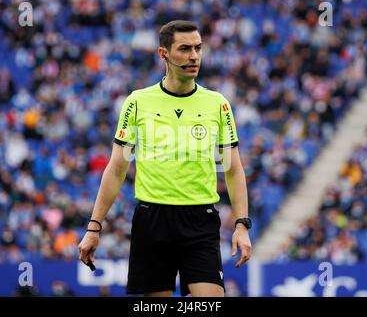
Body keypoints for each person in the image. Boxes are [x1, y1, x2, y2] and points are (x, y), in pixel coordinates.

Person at [78, 20, 252, 297]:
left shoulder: (217, 104)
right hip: (152, 219)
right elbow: (117, 168)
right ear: (164, 54)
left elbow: (233, 170)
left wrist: (241, 224)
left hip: (201, 219)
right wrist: (93, 227)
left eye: (198, 48)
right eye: (184, 49)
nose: (194, 56)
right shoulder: (137, 102)